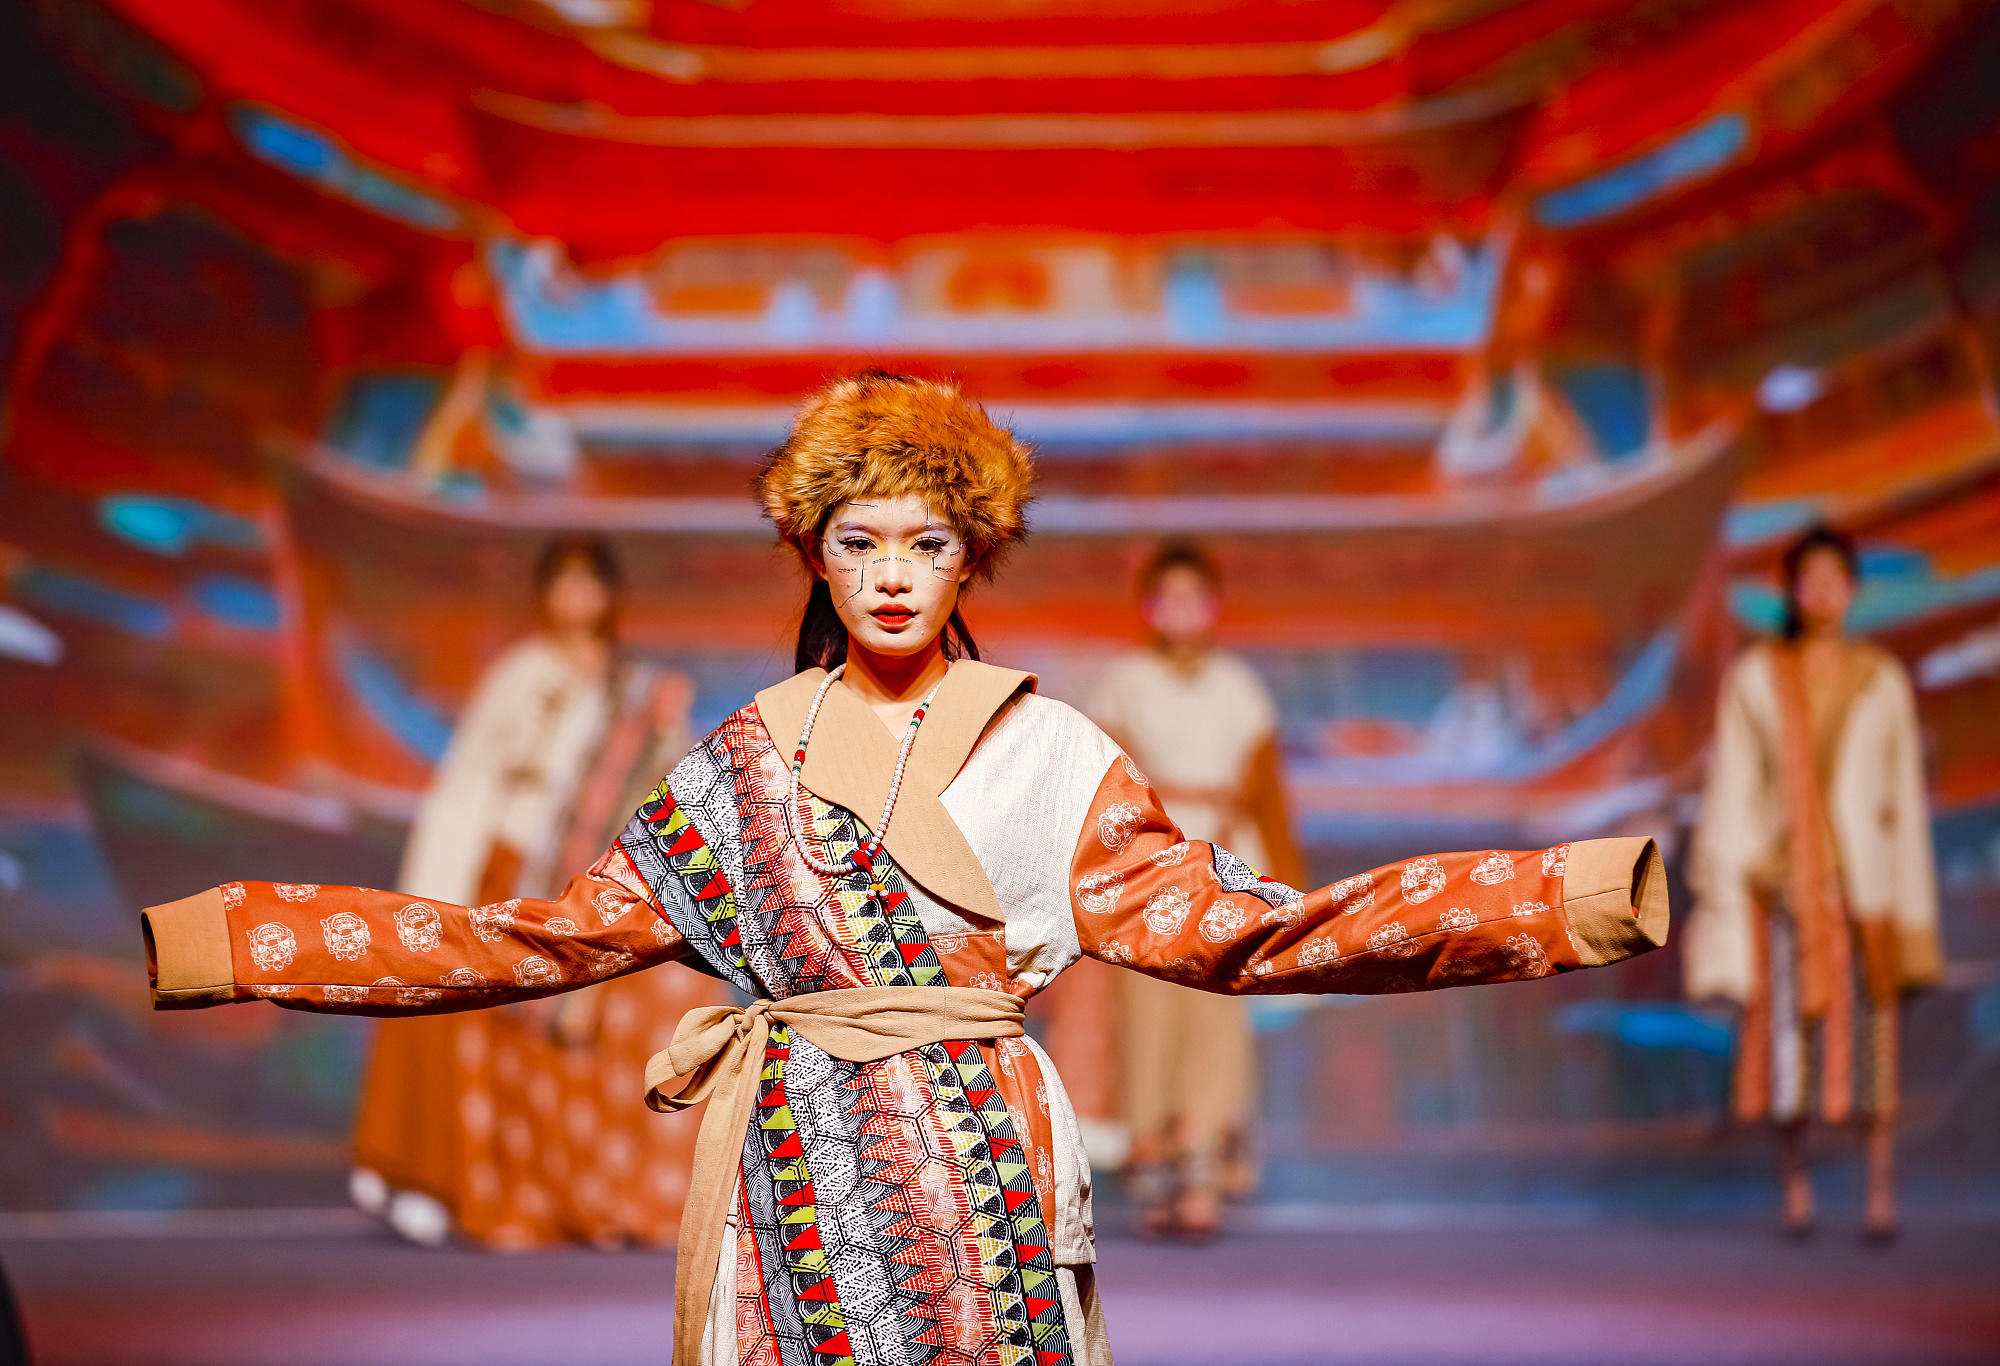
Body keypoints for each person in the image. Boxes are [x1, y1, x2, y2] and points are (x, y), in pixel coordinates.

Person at [141, 370, 1669, 1366]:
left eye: (926, 544)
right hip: (790, 1173)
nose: (888, 571)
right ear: (813, 550)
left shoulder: (1050, 747)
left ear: (970, 561)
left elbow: (1246, 932)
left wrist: (1554, 900)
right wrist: (238, 940)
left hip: (982, 1169)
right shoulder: (744, 757)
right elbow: (535, 940)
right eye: (859, 538)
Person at [350, 535, 718, 1250]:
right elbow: (471, 779)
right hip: (520, 870)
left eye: (590, 584)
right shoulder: (523, 674)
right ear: (544, 594)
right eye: (563, 583)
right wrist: (439, 890)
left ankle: (596, 1198)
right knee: (483, 1041)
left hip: (597, 883)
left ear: (610, 595)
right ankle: (458, 1186)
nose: (577, 598)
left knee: (630, 1027)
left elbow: (666, 773)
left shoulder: (633, 686)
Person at [1687, 525, 1940, 1242]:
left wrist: (1913, 914)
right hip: (1783, 893)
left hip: (1864, 895)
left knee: (1873, 1052)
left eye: (1837, 576)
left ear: (1852, 590)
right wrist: (1725, 893)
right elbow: (1733, 787)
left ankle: (1879, 1197)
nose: (1824, 588)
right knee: (1785, 1054)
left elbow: (1902, 805)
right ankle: (1796, 1195)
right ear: (1791, 590)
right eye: (1811, 576)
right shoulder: (1758, 679)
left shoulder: (1881, 680)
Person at [1085, 541, 1305, 1239]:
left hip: (1227, 871)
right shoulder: (1123, 683)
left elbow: (1270, 796)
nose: (1181, 611)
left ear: (1213, 607)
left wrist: (1291, 889)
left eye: (1194, 597)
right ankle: (1155, 1172)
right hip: (1152, 868)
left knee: (1216, 1020)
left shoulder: (1241, 686)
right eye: (1166, 598)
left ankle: (1204, 1173)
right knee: (1148, 1021)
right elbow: (1099, 791)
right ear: (1149, 609)